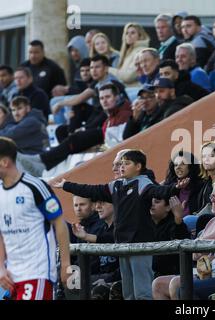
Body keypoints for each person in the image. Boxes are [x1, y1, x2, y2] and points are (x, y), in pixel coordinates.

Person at [53, 149, 189, 300]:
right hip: (122, 246)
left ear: (138, 166)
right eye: (121, 164)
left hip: (140, 246)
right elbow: (91, 190)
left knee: (142, 293)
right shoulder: (115, 185)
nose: (122, 167)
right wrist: (67, 185)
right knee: (128, 294)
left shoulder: (143, 183)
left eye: (127, 163)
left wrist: (175, 188)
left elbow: (159, 191)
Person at [0, 137, 70, 300]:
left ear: (4, 162)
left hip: (37, 271)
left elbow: (59, 224)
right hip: (11, 275)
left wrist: (65, 264)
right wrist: (1, 269)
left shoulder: (35, 187)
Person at [17, 83, 132, 177]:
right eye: (101, 98)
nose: (104, 101)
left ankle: (41, 160)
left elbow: (116, 140)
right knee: (65, 132)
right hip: (102, 143)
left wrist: (87, 135)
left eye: (108, 97)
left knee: (77, 138)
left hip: (111, 150)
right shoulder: (111, 113)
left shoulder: (124, 113)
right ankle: (42, 162)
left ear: (117, 97)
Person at [152, 180, 215, 300]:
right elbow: (194, 253)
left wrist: (199, 247)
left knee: (176, 283)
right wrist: (199, 248)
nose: (212, 199)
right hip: (202, 270)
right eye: (211, 195)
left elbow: (201, 245)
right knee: (158, 284)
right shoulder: (212, 221)